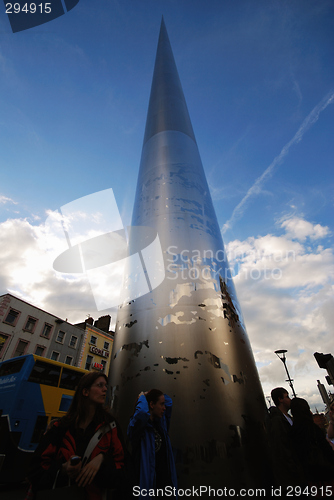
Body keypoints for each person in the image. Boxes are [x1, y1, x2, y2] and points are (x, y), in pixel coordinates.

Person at [27, 371, 126, 500]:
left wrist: (102, 459)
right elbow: (36, 470)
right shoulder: (60, 427)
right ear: (85, 392)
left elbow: (123, 468)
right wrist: (63, 468)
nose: (105, 389)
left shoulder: (111, 426)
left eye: (106, 386)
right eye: (100, 385)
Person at [127, 389, 177, 497]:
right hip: (149, 488)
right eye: (161, 404)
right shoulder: (139, 429)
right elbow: (142, 414)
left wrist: (147, 393)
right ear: (152, 405)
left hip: (165, 489)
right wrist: (142, 398)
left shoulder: (161, 425)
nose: (164, 408)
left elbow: (169, 402)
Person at [290, 397, 334, 486]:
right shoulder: (311, 427)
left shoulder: (293, 430)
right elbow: (326, 448)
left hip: (310, 476)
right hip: (325, 473)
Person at [266, 387, 302, 486]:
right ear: (280, 399)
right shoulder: (277, 420)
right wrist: (294, 468)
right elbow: (281, 447)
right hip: (292, 475)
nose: (290, 399)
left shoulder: (288, 418)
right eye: (287, 397)